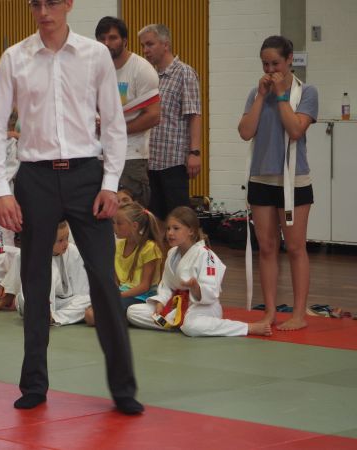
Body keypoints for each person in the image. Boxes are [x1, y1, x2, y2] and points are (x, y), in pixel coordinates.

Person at [0, 0, 141, 414]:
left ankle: (123, 388)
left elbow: (113, 124)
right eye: (36, 3)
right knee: (35, 282)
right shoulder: (14, 57)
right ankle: (34, 384)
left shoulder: (94, 56)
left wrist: (110, 183)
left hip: (86, 176)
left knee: (104, 280)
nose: (43, 10)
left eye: (52, 2)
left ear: (69, 4)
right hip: (34, 176)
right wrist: (2, 189)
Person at [237, 35, 318, 331]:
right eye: (265, 64)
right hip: (261, 178)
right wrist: (261, 96)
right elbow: (246, 132)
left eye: (276, 64)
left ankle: (298, 314)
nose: (271, 70)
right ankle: (269, 312)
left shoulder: (306, 92)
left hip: (294, 180)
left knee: (295, 247)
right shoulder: (255, 93)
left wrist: (282, 95)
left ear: (289, 61)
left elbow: (296, 129)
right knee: (267, 247)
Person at [126, 207, 272, 337]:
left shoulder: (206, 256)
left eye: (176, 228)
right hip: (175, 307)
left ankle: (247, 328)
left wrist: (196, 288)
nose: (170, 233)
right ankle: (176, 323)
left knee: (191, 326)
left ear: (191, 231)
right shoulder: (172, 253)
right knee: (133, 312)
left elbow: (212, 291)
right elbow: (166, 286)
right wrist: (161, 302)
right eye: (169, 228)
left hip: (202, 307)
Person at [139, 24, 202, 220]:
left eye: (150, 44)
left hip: (173, 162)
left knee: (178, 221)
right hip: (151, 161)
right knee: (154, 222)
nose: (145, 50)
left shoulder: (184, 73)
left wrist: (195, 152)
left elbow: (194, 115)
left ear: (165, 45)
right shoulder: (150, 76)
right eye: (143, 46)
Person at [96, 17, 160, 207]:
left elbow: (153, 115)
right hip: (98, 156)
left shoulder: (142, 70)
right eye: (102, 38)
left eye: (112, 38)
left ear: (124, 41)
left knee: (131, 218)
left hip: (130, 156)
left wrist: (115, 129)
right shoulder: (95, 69)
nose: (107, 43)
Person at [86, 202, 163, 326]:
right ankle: (120, 317)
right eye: (113, 223)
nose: (114, 227)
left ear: (134, 226)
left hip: (141, 297)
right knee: (90, 314)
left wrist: (119, 295)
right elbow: (116, 280)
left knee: (95, 316)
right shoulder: (119, 245)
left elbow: (145, 286)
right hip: (123, 294)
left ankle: (122, 317)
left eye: (119, 223)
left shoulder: (150, 248)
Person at [5, 221, 92, 326]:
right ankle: (43, 313)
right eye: (60, 240)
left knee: (89, 300)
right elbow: (26, 287)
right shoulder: (31, 254)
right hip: (35, 302)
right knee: (46, 273)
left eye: (67, 238)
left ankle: (53, 317)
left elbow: (81, 291)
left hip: (63, 303)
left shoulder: (73, 251)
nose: (65, 243)